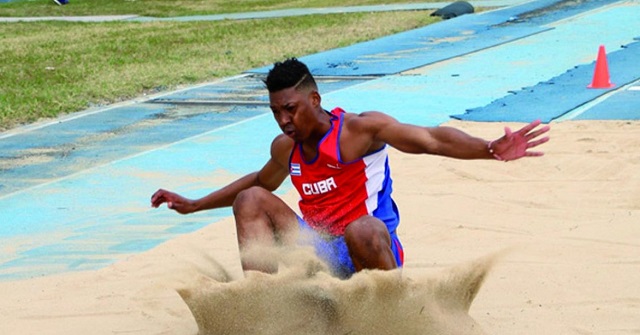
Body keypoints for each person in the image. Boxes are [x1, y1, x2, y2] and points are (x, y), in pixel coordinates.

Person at [151, 58, 550, 279]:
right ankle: (266, 304)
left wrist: (488, 149)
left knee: (361, 226)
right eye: (275, 113)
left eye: (290, 109)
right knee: (251, 198)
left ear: (314, 99)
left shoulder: (358, 131)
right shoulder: (285, 147)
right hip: (318, 252)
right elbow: (259, 181)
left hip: (368, 247)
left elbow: (430, 139)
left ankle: (392, 312)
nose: (284, 121)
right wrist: (194, 205)